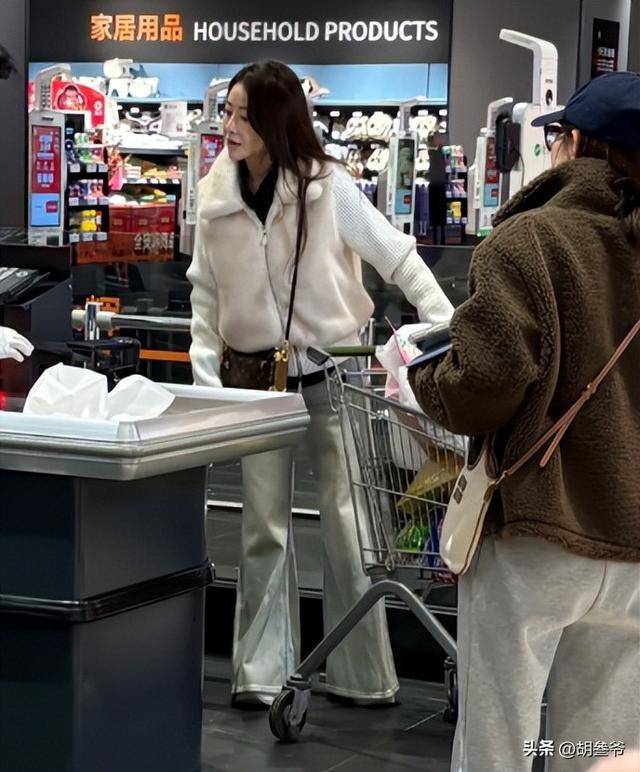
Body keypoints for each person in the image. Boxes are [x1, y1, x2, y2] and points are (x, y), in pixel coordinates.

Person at [187, 60, 454, 708]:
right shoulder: (215, 196)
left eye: (244, 114)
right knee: (262, 529)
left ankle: (363, 675)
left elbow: (395, 253)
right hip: (256, 384)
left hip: (334, 375)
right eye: (227, 112)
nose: (230, 125)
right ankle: (260, 674)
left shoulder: (326, 187)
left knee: (346, 525)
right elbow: (204, 293)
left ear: (276, 122)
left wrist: (444, 323)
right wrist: (205, 376)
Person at [409, 71, 640, 771]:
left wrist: (423, 375)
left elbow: (484, 382)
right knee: (599, 747)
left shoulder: (531, 240)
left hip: (538, 530)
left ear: (577, 144)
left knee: (499, 738)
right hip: (631, 540)